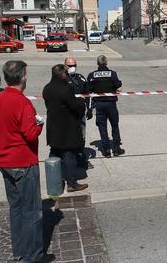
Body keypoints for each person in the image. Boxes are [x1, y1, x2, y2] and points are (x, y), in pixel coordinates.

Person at [0, 60, 55, 263]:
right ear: (23, 77)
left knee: (15, 208)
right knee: (32, 210)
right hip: (23, 162)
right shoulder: (22, 103)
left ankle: (18, 249)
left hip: (5, 161)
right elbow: (30, 134)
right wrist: (39, 124)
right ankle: (33, 254)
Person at [42, 64, 88, 192]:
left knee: (54, 152)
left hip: (53, 126)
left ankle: (55, 179)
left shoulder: (47, 88)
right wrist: (81, 102)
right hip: (66, 128)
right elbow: (74, 105)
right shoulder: (65, 89)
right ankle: (72, 183)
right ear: (62, 75)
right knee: (69, 155)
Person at [87, 55, 125, 158]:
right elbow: (118, 84)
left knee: (102, 128)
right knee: (115, 126)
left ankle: (106, 150)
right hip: (111, 104)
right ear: (106, 62)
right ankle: (116, 149)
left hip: (99, 105)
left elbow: (89, 91)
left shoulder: (92, 75)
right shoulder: (112, 73)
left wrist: (89, 108)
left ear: (97, 63)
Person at [64, 57, 94, 170]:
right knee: (68, 138)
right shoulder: (62, 79)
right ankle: (68, 160)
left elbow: (88, 94)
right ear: (65, 66)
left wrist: (90, 109)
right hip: (67, 116)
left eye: (74, 65)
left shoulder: (81, 78)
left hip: (80, 114)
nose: (73, 68)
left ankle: (81, 158)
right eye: (70, 66)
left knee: (81, 137)